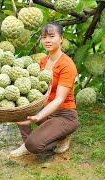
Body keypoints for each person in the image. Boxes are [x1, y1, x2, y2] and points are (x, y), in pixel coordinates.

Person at [10, 22, 79, 157]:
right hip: (45, 111)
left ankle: (62, 137)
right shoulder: (43, 61)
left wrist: (38, 116)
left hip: (64, 115)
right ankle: (27, 143)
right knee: (20, 106)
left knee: (34, 145)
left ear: (61, 39)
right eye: (44, 37)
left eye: (51, 36)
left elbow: (59, 99)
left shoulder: (67, 65)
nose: (47, 40)